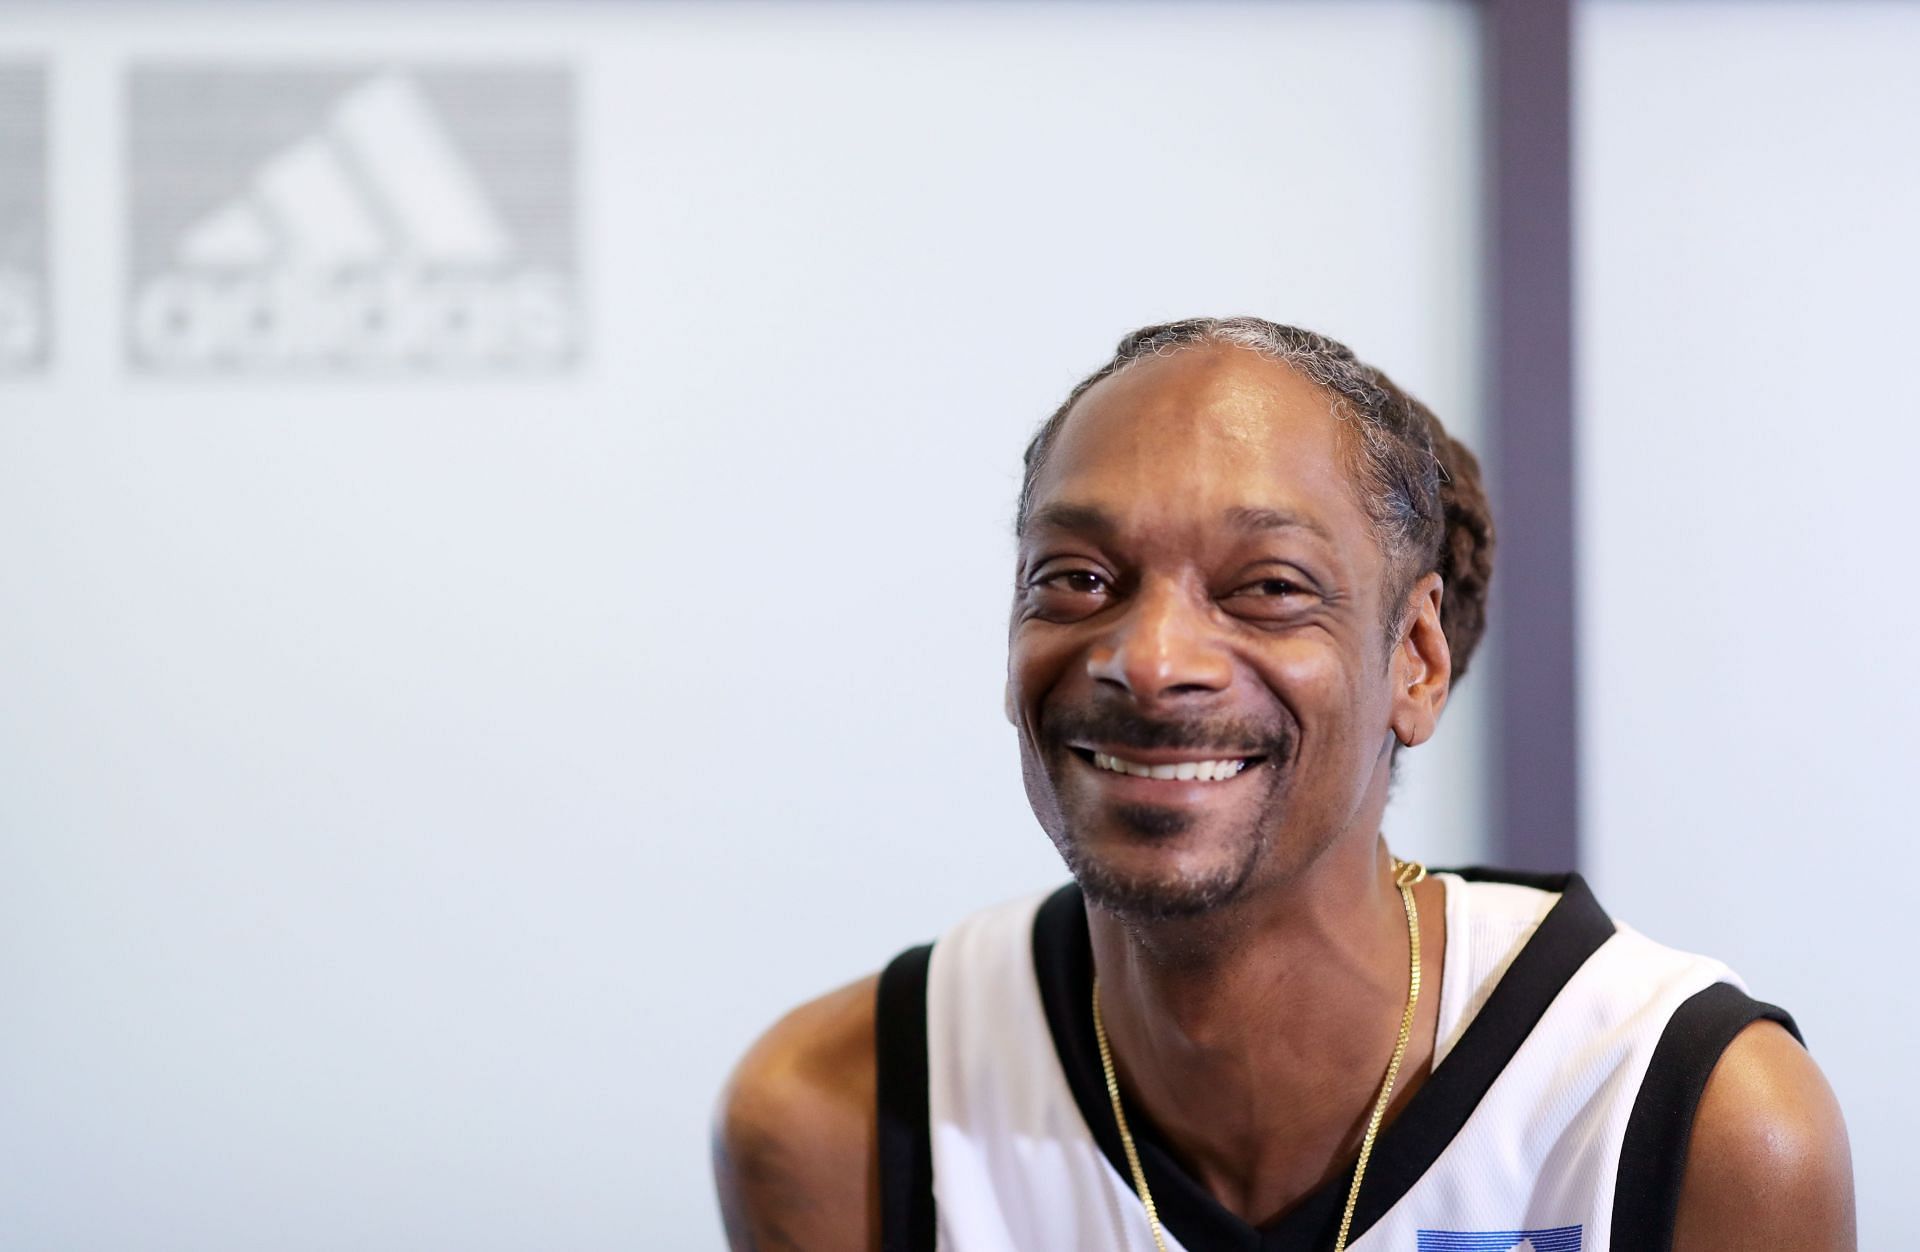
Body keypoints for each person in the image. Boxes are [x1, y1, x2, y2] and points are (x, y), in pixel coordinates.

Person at [713, 318, 1854, 1251]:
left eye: (1265, 585)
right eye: (1078, 576)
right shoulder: (843, 1113)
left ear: (1415, 658)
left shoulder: (1687, 1117)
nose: (1149, 658)